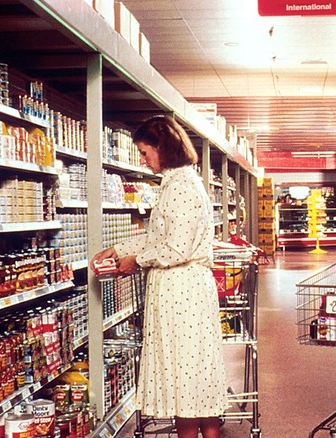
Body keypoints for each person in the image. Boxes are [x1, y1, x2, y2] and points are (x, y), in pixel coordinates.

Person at [90, 115, 227, 438]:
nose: (142, 159)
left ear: (161, 148)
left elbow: (176, 248)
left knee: (183, 377)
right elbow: (159, 237)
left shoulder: (181, 187)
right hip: (182, 291)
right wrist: (117, 248)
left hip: (181, 293)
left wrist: (136, 260)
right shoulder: (179, 183)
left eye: (144, 152)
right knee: (194, 379)